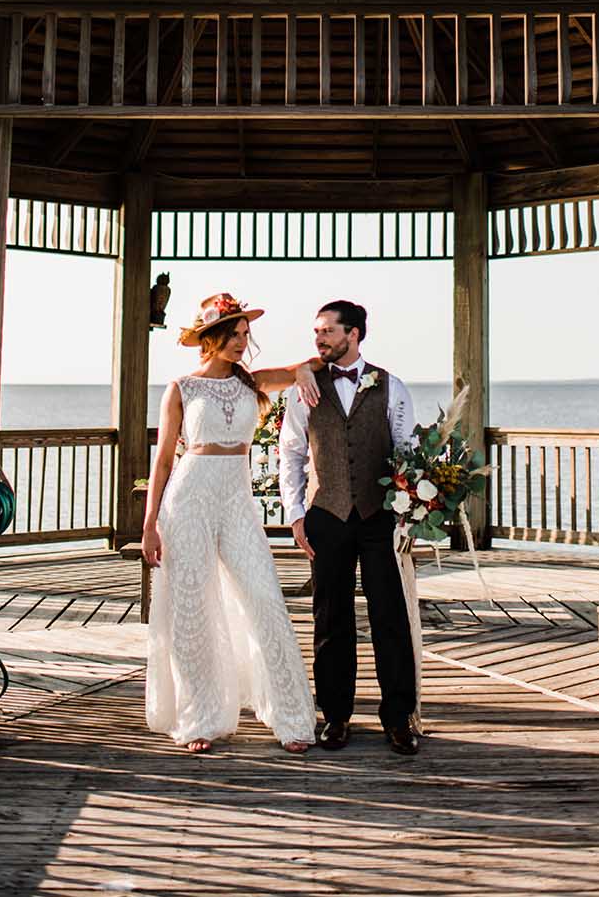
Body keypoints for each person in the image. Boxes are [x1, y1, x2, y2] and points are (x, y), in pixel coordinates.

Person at [143, 292, 320, 753]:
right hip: (188, 499)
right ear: (211, 337)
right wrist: (148, 526)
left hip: (237, 500)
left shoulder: (252, 383)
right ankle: (200, 717)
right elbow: (162, 461)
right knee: (192, 608)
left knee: (263, 596)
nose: (243, 341)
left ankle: (291, 717)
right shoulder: (181, 388)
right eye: (234, 333)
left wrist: (302, 370)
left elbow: (309, 366)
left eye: (245, 334)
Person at [278, 299, 420, 755]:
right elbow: (291, 455)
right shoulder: (304, 388)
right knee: (330, 621)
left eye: (326, 331)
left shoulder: (391, 386)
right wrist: (296, 514)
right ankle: (335, 717)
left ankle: (399, 719)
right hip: (326, 515)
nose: (318, 339)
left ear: (353, 334)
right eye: (316, 332)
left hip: (380, 518)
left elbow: (407, 450)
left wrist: (408, 511)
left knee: (389, 620)